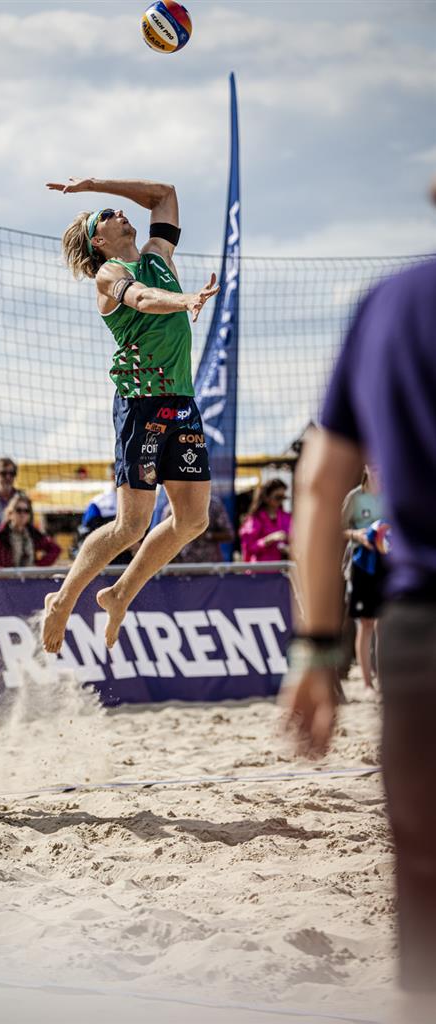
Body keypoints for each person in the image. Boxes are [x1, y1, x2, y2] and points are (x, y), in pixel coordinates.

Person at [282, 257, 436, 1019]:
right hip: (401, 601)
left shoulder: (391, 302)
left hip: (423, 626)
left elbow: (316, 484)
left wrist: (315, 650)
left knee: (424, 876)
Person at [42, 176, 220, 651]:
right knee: (131, 525)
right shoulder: (109, 272)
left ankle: (120, 594)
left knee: (193, 520)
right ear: (99, 242)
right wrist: (186, 299)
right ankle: (62, 599)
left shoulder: (158, 254)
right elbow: (140, 298)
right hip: (141, 405)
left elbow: (165, 194)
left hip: (180, 402)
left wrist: (94, 185)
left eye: (117, 210)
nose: (120, 213)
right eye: (107, 216)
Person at [341, 465, 386, 689]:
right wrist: (358, 535)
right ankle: (368, 684)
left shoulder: (391, 492)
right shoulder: (355, 496)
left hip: (387, 564)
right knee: (365, 624)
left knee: (384, 624)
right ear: (365, 467)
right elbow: (339, 529)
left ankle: (384, 680)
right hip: (362, 565)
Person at [0, 493, 61, 568]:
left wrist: (38, 566)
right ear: (10, 513)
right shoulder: (0, 535)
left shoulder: (33, 533)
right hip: (7, 576)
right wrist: (4, 572)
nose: (22, 514)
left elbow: (55, 549)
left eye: (26, 511)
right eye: (18, 510)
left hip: (30, 575)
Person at [163, 491, 234, 563]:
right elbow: (165, 541)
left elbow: (229, 534)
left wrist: (207, 535)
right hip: (182, 565)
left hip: (209, 565)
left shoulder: (214, 505)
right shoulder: (171, 509)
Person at [239, 478, 291, 562]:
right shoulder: (255, 519)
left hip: (282, 568)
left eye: (283, 497)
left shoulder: (287, 517)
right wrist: (268, 540)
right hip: (260, 568)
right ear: (266, 497)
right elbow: (248, 548)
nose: (281, 501)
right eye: (278, 497)